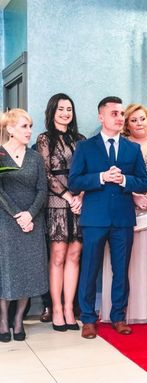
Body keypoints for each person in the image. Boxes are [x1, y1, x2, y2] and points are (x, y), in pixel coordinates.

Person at [68, 96, 147, 339]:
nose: (120, 117)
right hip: (94, 218)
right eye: (114, 113)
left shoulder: (132, 148)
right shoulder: (85, 147)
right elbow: (74, 182)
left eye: (121, 113)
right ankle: (88, 319)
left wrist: (124, 180)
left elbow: (143, 182)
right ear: (101, 117)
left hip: (123, 218)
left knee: (121, 270)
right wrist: (101, 177)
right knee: (89, 270)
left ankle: (118, 317)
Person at [101, 104, 147, 324]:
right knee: (129, 257)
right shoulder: (121, 144)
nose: (139, 123)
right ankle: (127, 309)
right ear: (127, 124)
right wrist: (135, 196)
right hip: (127, 201)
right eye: (133, 120)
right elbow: (115, 176)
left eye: (142, 119)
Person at [36, 93, 85, 331]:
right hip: (56, 202)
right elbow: (45, 173)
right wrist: (68, 196)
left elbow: (88, 171)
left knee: (75, 255)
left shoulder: (81, 140)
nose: (66, 113)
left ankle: (68, 308)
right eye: (61, 109)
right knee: (57, 256)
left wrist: (80, 196)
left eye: (69, 109)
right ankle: (56, 308)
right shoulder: (44, 139)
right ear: (52, 112)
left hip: (80, 202)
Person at [0, 109, 48, 342]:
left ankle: (19, 319)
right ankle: (3, 320)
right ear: (10, 129)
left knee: (28, 270)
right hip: (6, 220)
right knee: (6, 270)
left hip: (32, 219)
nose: (29, 131)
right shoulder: (0, 154)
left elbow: (42, 190)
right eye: (24, 126)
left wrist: (29, 214)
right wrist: (17, 215)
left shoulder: (35, 157)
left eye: (30, 126)